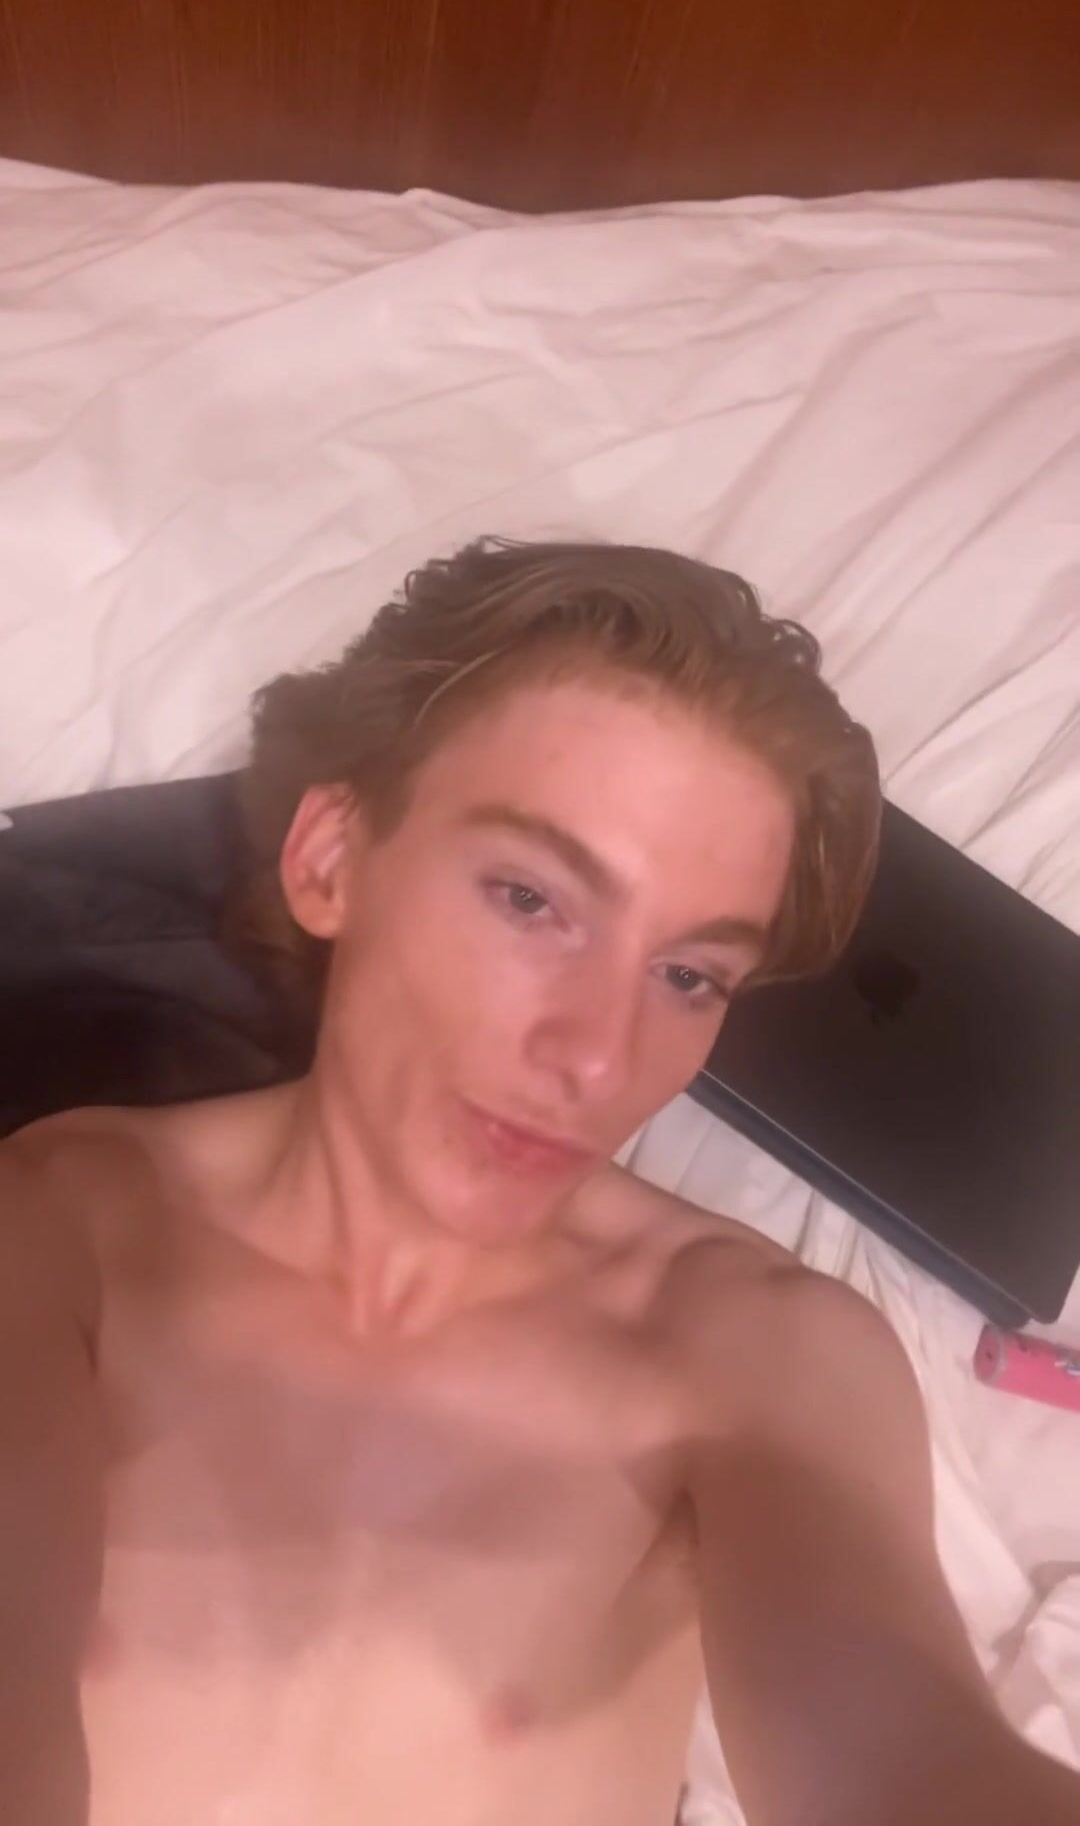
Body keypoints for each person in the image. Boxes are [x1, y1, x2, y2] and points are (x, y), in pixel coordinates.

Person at [2, 539, 1077, 1826]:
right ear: (332, 860)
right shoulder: (69, 1224)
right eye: (530, 898)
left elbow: (905, 1759)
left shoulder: (758, 1350)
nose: (599, 1055)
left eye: (688, 975)